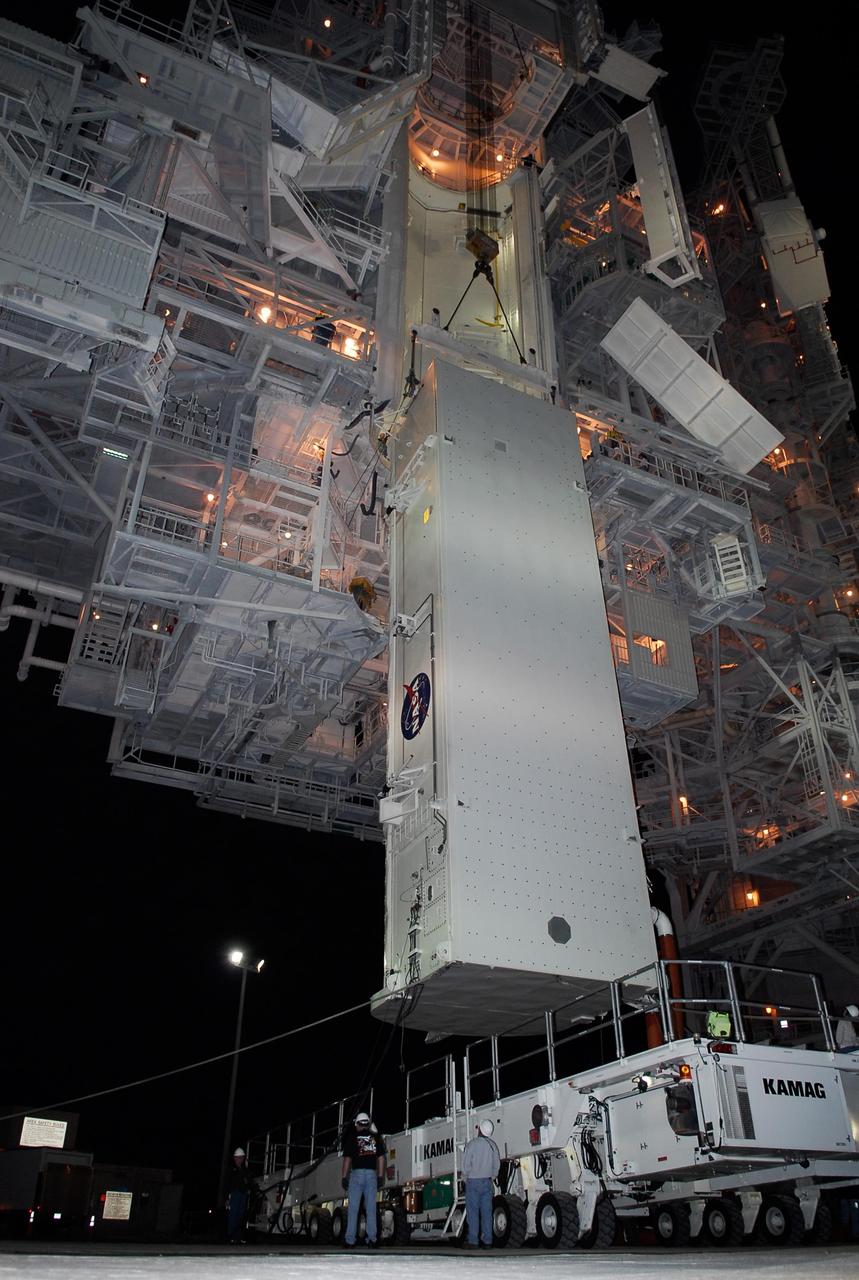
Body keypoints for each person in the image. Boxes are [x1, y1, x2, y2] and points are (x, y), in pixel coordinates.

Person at [342, 1111, 386, 1247]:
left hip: (357, 1175)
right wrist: (380, 1176)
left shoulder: (352, 1138)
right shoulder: (376, 1138)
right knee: (371, 1208)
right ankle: (372, 1239)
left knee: (353, 1208)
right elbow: (381, 1158)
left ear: (357, 1124)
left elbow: (347, 1159)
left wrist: (344, 1177)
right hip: (372, 1175)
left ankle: (350, 1240)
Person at [461, 1118, 500, 1249]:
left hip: (473, 1182)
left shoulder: (471, 1144)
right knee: (486, 1213)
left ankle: (473, 1241)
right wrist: (492, 1177)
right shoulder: (493, 1146)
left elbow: (465, 1165)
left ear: (479, 1130)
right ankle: (488, 1241)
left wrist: (464, 1178)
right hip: (487, 1182)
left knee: (473, 1213)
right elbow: (496, 1166)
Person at [226, 1147, 253, 1244]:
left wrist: (249, 1188)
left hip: (243, 1194)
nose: (239, 1159)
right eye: (237, 1157)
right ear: (234, 1158)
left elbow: (250, 1181)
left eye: (241, 1157)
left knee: (241, 1216)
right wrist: (227, 1197)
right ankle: (231, 1236)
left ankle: (239, 1237)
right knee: (233, 1215)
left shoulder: (245, 1170)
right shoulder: (231, 1169)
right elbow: (228, 1184)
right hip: (235, 1194)